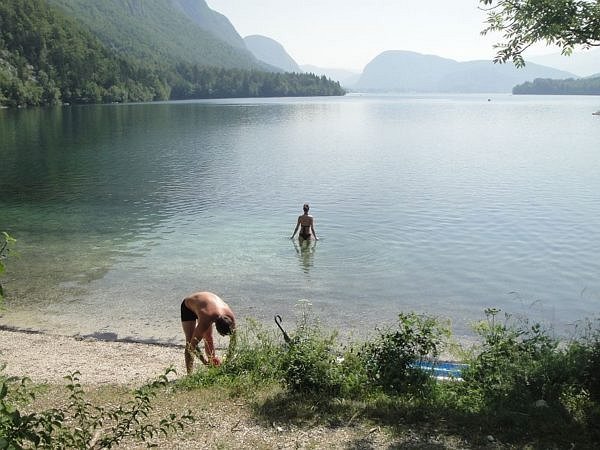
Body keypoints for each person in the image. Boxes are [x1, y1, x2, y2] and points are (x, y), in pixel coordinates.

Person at [180, 291, 236, 374]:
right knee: (189, 341)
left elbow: (233, 343)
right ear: (216, 326)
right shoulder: (206, 320)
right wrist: (205, 362)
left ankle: (212, 364)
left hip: (205, 305)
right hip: (189, 307)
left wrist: (227, 362)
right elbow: (192, 347)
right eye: (223, 335)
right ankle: (189, 375)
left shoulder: (231, 318)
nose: (224, 337)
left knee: (209, 337)